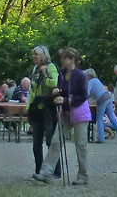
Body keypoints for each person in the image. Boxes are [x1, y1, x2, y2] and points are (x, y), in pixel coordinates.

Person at [33, 48, 91, 186]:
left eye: (64, 58)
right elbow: (60, 92)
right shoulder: (62, 74)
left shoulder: (80, 75)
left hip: (80, 114)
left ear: (72, 59)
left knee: (81, 145)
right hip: (65, 113)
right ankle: (46, 173)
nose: (62, 61)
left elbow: (83, 95)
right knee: (56, 142)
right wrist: (56, 92)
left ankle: (83, 175)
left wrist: (65, 100)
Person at [26, 45, 61, 178]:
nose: (34, 56)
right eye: (33, 54)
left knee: (50, 141)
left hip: (48, 108)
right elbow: (32, 91)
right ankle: (38, 170)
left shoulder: (51, 67)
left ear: (43, 55)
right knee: (36, 142)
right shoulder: (34, 70)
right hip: (36, 109)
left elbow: (55, 83)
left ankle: (55, 171)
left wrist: (45, 74)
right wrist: (29, 109)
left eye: (36, 54)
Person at [85, 68, 117, 143]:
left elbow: (86, 93)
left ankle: (101, 138)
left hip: (101, 99)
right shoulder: (96, 80)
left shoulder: (90, 82)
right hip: (108, 97)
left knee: (99, 118)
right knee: (112, 116)